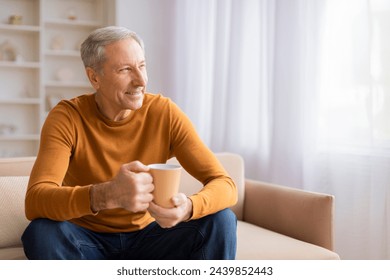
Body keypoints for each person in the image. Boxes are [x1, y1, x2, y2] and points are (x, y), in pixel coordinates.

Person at [21, 26, 238, 260]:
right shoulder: (67, 117)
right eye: (125, 70)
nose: (141, 81)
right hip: (85, 239)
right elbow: (36, 201)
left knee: (222, 219)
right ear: (94, 77)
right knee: (41, 232)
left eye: (142, 66)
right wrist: (106, 195)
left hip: (150, 237)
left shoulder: (164, 113)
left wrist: (189, 208)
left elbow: (225, 184)